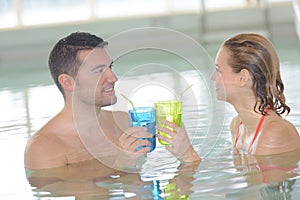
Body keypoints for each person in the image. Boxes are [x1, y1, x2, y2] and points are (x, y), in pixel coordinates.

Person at [24, 31, 200, 170]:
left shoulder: (123, 122)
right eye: (99, 70)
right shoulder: (44, 149)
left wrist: (186, 155)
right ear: (68, 82)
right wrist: (121, 165)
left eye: (110, 67)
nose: (113, 77)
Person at [211, 33, 300, 155]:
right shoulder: (237, 126)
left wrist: (189, 156)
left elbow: (255, 174)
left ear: (243, 78)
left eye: (218, 70)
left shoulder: (274, 133)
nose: (213, 77)